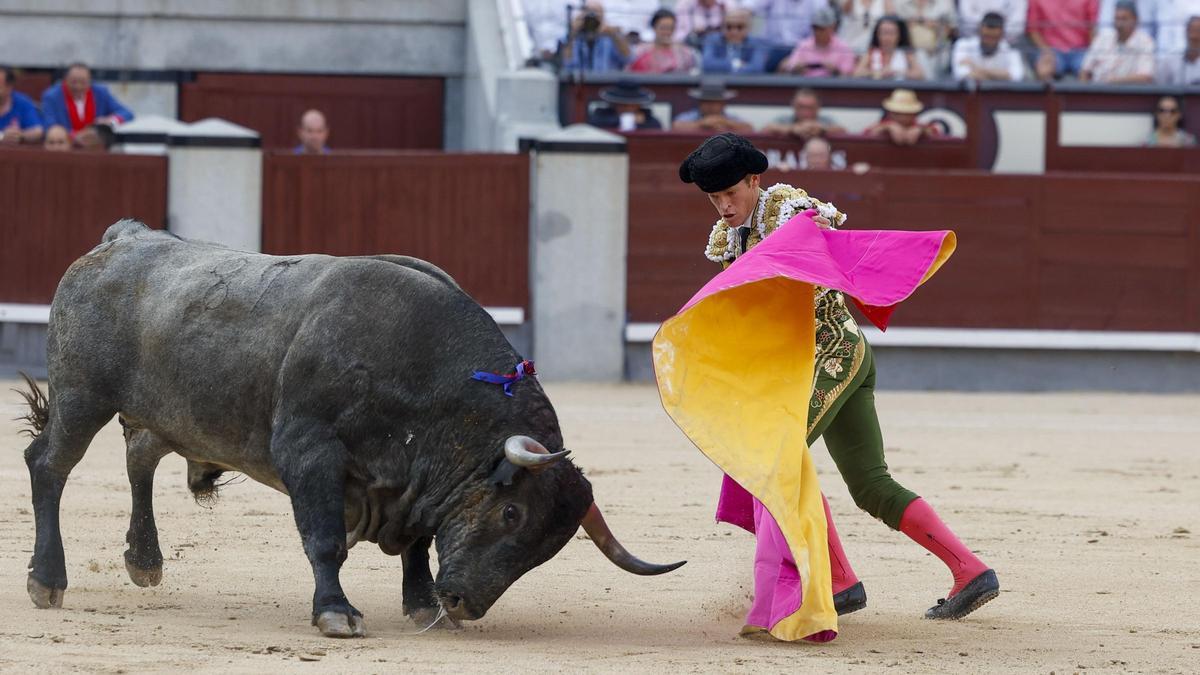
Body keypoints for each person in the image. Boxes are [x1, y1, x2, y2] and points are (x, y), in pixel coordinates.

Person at [675, 132, 999, 637]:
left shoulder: (785, 208)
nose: (722, 207)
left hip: (832, 357)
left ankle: (842, 581)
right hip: (834, 360)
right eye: (713, 198)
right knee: (871, 485)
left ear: (755, 181)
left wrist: (809, 227)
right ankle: (970, 571)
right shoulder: (725, 239)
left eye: (730, 194)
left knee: (775, 460)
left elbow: (817, 226)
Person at [39, 62, 133, 148]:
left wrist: (110, 121)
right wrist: (74, 136)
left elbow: (127, 113)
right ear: (65, 80)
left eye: (83, 82)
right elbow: (49, 124)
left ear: (90, 81)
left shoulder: (101, 92)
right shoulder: (51, 96)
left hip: (95, 147)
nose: (78, 87)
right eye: (74, 82)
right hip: (66, 147)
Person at [1080, 0, 1155, 83]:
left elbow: (1146, 77)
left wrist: (1114, 81)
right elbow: (1085, 70)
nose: (1119, 23)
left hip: (1125, 93)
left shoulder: (1145, 42)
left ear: (1135, 20)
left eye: (1124, 19)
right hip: (1097, 91)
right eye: (1117, 19)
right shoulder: (1103, 38)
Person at [777, 6, 857, 77]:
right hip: (805, 88)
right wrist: (796, 68)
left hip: (833, 90)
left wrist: (835, 71)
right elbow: (790, 66)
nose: (817, 32)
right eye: (815, 27)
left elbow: (848, 76)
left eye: (821, 28)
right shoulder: (804, 45)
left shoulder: (843, 48)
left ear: (832, 27)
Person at [1028, 0, 1099, 79]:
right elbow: (1033, 30)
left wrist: (1092, 56)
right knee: (1044, 70)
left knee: (1091, 72)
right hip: (1051, 49)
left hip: (1081, 50)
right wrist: (1046, 51)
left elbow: (1093, 29)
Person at [951, 12, 1026, 81]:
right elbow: (961, 74)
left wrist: (975, 67)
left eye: (994, 37)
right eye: (986, 36)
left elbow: (1017, 75)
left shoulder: (1010, 49)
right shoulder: (963, 45)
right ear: (979, 31)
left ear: (1002, 35)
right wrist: (1000, 76)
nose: (989, 41)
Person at [562, 1, 632, 73]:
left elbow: (628, 58)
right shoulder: (575, 37)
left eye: (595, 12)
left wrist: (613, 35)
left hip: (605, 82)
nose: (592, 16)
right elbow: (566, 63)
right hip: (580, 83)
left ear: (603, 15)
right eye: (588, 11)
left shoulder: (611, 36)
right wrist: (573, 32)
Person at [752, 0, 822, 72]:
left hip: (802, 49)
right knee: (760, 64)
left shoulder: (817, 2)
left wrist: (793, 60)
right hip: (774, 47)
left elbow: (818, 32)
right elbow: (750, 7)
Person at [852, 15, 926, 80]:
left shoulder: (906, 53)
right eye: (884, 33)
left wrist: (896, 72)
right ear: (877, 34)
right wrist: (876, 73)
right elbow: (857, 73)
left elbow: (920, 74)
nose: (887, 38)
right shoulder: (871, 52)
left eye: (891, 33)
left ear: (899, 35)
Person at [895, 0, 957, 75]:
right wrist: (909, 25)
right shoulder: (900, 3)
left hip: (938, 51)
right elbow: (896, 29)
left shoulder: (945, 3)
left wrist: (934, 25)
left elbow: (952, 31)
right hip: (910, 52)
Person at [700, 7, 770, 74]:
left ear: (749, 28)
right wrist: (736, 64)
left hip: (744, 84)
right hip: (718, 84)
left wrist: (722, 67)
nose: (734, 32)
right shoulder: (712, 39)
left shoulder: (757, 43)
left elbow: (757, 68)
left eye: (739, 27)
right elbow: (707, 65)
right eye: (729, 27)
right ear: (722, 27)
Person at [627, 9, 700, 73]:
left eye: (671, 28)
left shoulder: (684, 52)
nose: (667, 32)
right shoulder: (641, 50)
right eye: (663, 28)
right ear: (654, 27)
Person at [864, 88, 942, 144]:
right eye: (897, 113)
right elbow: (866, 134)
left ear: (914, 114)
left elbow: (936, 134)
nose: (901, 117)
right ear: (890, 113)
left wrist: (921, 130)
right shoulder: (882, 125)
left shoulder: (921, 126)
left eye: (906, 113)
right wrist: (888, 127)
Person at [762, 88, 846, 140]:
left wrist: (822, 129)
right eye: (801, 107)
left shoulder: (826, 120)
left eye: (810, 108)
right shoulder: (784, 119)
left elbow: (843, 131)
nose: (805, 112)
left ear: (818, 107)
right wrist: (792, 129)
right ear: (793, 105)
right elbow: (765, 130)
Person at [672, 81, 753, 133]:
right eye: (706, 102)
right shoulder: (691, 116)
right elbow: (676, 127)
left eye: (714, 102)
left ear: (723, 104)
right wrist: (701, 124)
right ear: (700, 103)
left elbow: (749, 129)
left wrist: (725, 122)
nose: (709, 106)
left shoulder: (730, 118)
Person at [587, 80, 663, 130]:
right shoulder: (601, 116)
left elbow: (657, 129)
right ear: (615, 104)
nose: (628, 108)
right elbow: (592, 126)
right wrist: (626, 119)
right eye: (623, 105)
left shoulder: (648, 119)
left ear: (639, 105)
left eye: (632, 105)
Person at [0, 66, 44, 146]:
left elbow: (38, 131)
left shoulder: (22, 102)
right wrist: (2, 136)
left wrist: (20, 135)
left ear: (9, 87)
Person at [957, 0, 1026, 44]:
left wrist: (996, 29)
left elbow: (1017, 26)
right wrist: (992, 24)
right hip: (972, 42)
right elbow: (967, 18)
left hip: (1008, 44)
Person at [1157, 15, 1200, 85]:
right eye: (1192, 30)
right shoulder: (1170, 61)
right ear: (1186, 32)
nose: (1194, 36)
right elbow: (1159, 88)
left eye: (1198, 31)